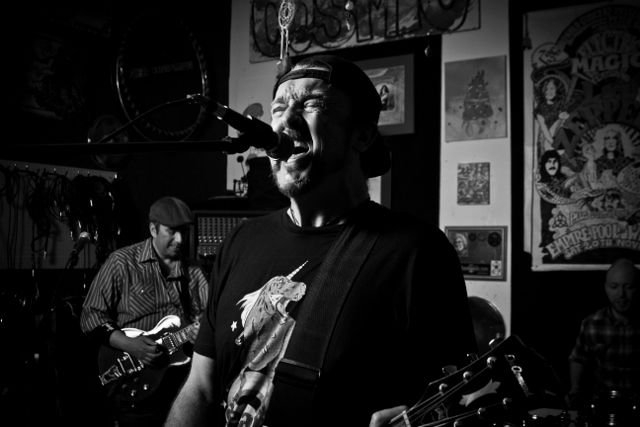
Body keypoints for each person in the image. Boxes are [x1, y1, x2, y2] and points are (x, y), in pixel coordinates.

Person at [166, 54, 477, 427]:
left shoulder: (417, 253)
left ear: (361, 135)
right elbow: (201, 388)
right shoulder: (241, 240)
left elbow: (458, 402)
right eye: (278, 108)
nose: (286, 120)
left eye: (311, 104)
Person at [80, 196, 209, 427]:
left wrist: (202, 333)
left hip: (180, 382)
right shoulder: (121, 263)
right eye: (171, 231)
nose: (180, 239)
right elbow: (91, 316)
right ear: (153, 229)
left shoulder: (194, 272)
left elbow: (207, 320)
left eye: (184, 231)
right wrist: (130, 345)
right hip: (133, 378)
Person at [567, 258, 639, 415]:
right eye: (614, 287)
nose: (621, 294)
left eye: (629, 287)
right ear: (606, 288)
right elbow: (578, 358)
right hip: (603, 408)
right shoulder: (592, 323)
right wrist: (575, 390)